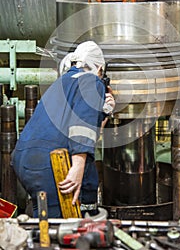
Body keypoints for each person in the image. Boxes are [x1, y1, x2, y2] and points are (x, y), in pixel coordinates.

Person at [12, 41, 115, 218]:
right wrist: (77, 167)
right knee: (61, 227)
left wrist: (101, 113)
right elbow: (82, 129)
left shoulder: (61, 83)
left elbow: (83, 128)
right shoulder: (91, 80)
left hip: (24, 159)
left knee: (44, 221)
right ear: (99, 68)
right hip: (49, 162)